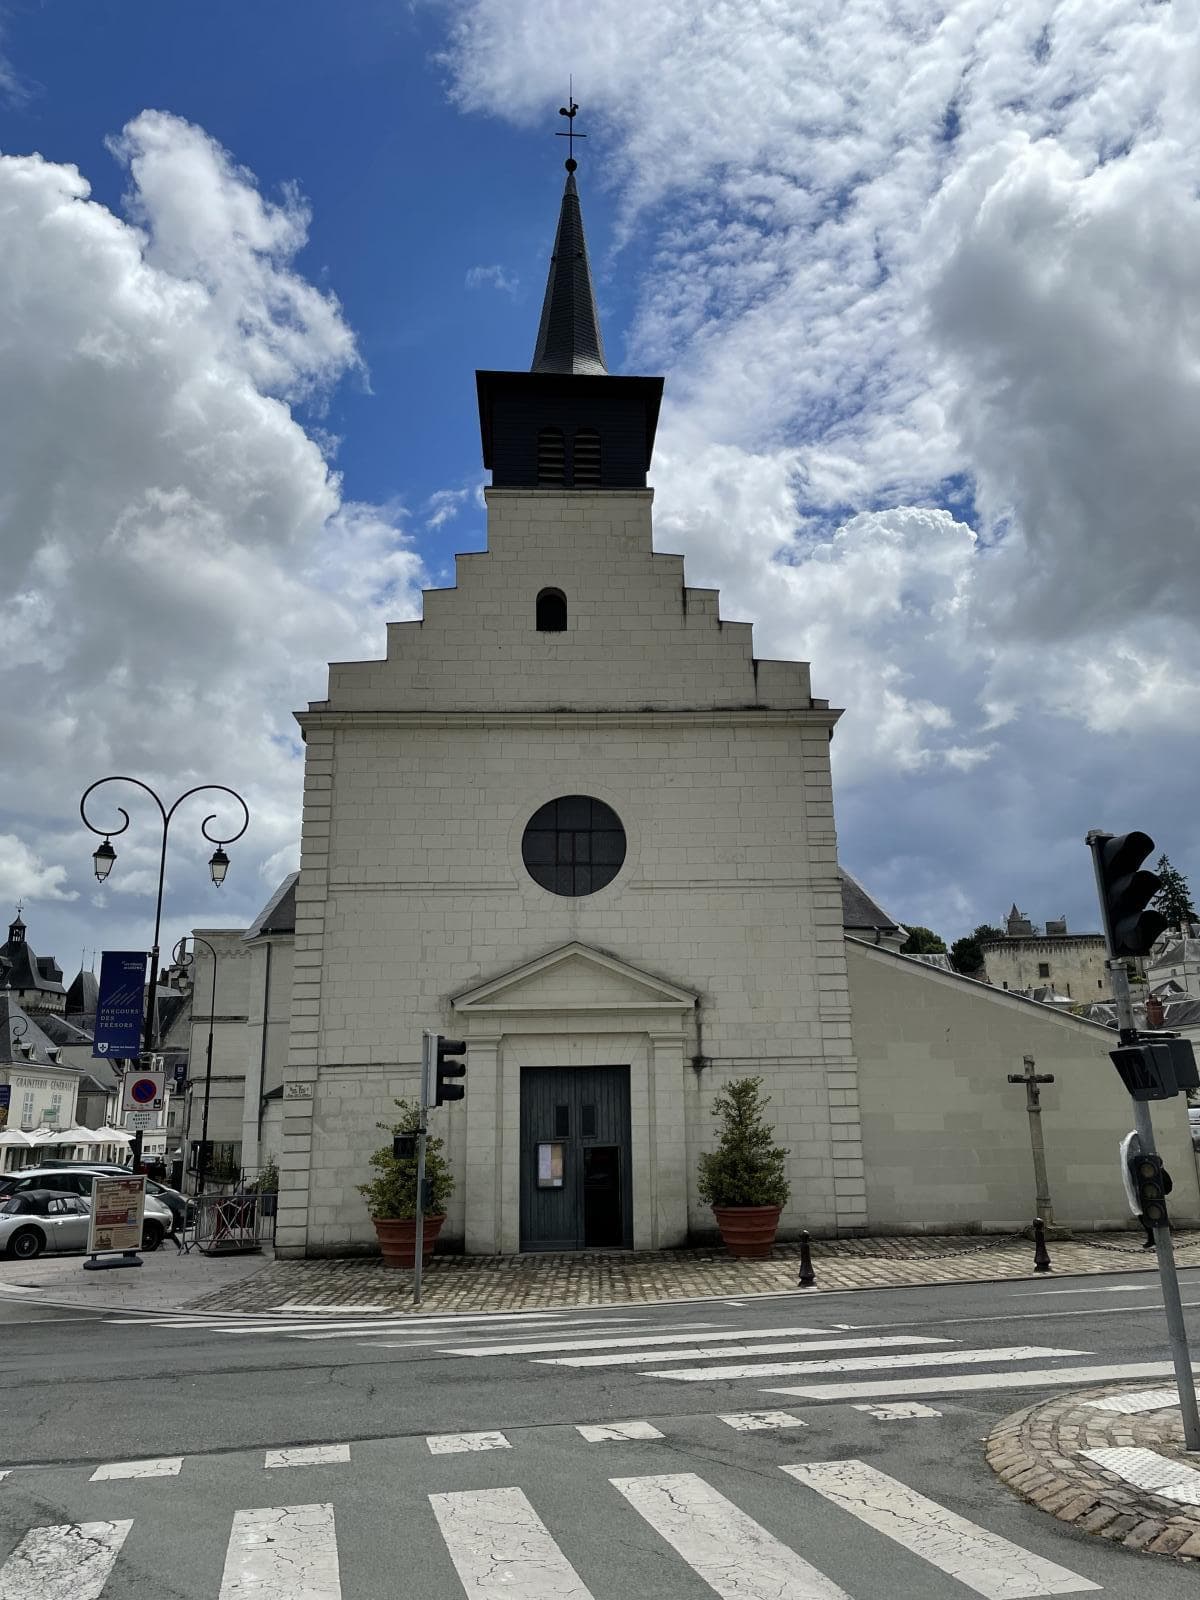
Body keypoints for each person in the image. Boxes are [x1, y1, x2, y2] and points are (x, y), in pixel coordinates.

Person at [1119, 1129, 1172, 1248]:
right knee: (1145, 1214)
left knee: (1155, 1211)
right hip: (1143, 1189)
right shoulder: (1136, 1162)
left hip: (1152, 1189)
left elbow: (1166, 1182)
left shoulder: (1155, 1164)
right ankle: (1153, 1237)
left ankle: (1161, 1238)